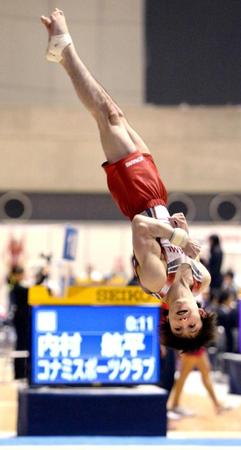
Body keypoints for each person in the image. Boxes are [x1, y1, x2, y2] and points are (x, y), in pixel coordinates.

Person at [41, 8, 216, 351]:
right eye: (191, 323)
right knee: (112, 112)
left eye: (178, 327)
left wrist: (178, 234)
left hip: (135, 195)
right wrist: (179, 229)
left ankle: (64, 49)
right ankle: (62, 53)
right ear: (202, 313)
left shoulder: (154, 281)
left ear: (168, 320)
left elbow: (139, 225)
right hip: (157, 192)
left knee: (107, 115)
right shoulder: (202, 279)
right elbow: (173, 238)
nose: (183, 320)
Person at [168, 347, 227, 416]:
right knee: (182, 378)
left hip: (199, 350)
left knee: (206, 377)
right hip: (189, 351)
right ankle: (175, 404)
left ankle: (217, 404)